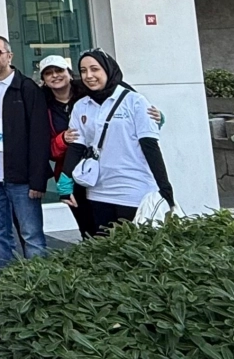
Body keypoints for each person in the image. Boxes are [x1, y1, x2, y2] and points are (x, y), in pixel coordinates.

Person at [61, 50, 174, 231]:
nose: (88, 75)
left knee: (136, 244)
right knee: (104, 245)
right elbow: (76, 146)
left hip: (134, 190)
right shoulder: (81, 106)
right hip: (98, 191)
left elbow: (150, 147)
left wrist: (165, 188)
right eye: (83, 70)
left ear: (108, 70)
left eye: (95, 69)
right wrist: (65, 183)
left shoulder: (135, 101)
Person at [0, 35, 50, 268]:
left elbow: (39, 136)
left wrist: (38, 179)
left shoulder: (27, 88)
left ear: (10, 56)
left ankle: (40, 281)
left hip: (21, 177)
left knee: (31, 235)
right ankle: (5, 282)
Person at [41, 55, 96, 237]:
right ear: (44, 80)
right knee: (86, 226)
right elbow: (44, 149)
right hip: (68, 174)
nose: (55, 75)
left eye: (59, 70)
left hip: (100, 169)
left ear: (70, 74)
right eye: (48, 73)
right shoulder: (41, 106)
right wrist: (62, 140)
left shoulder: (90, 95)